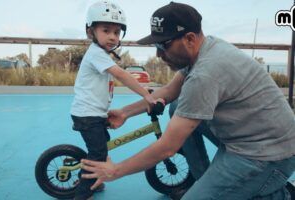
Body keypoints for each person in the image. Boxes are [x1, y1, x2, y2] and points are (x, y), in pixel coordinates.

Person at [80, 2, 295, 200]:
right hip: (248, 137)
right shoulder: (207, 47)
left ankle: (274, 193)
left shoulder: (205, 74)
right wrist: (126, 112)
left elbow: (167, 148)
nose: (158, 54)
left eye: (163, 45)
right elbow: (170, 91)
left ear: (190, 39)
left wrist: (115, 170)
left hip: (268, 155)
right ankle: (205, 180)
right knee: (177, 107)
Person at [70, 1, 157, 199]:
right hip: (87, 115)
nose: (112, 36)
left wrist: (146, 91)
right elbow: (122, 75)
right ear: (90, 31)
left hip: (94, 113)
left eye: (117, 32)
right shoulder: (96, 54)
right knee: (99, 154)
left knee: (100, 148)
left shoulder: (101, 54)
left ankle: (92, 180)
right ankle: (83, 193)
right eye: (106, 30)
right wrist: (146, 94)